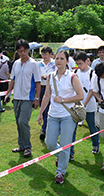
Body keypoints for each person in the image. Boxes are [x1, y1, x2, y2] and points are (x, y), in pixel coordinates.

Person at [37, 50, 84, 184]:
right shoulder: (51, 76)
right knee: (49, 143)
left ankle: (60, 172)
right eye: (56, 58)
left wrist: (63, 99)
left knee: (65, 144)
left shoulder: (72, 77)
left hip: (68, 115)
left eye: (61, 58)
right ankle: (63, 156)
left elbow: (80, 96)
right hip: (52, 114)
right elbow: (47, 96)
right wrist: (41, 112)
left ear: (67, 61)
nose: (58, 61)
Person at [5, 39, 41, 158]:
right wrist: (8, 93)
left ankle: (27, 147)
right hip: (17, 97)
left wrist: (37, 98)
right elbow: (13, 80)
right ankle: (21, 145)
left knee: (23, 121)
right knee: (18, 122)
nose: (22, 53)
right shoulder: (15, 63)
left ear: (28, 50)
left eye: (24, 50)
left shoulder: (34, 64)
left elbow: (38, 82)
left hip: (28, 97)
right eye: (20, 51)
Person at [74, 51, 100, 154]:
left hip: (89, 104)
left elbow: (91, 90)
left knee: (91, 125)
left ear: (86, 61)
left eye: (80, 63)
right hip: (77, 105)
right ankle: (71, 151)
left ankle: (95, 144)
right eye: (77, 63)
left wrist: (84, 104)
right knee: (73, 127)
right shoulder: (75, 73)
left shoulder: (92, 73)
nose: (79, 66)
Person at [38, 46, 56, 140]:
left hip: (51, 88)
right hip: (41, 87)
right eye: (43, 54)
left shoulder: (54, 63)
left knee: (49, 108)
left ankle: (45, 128)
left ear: (50, 54)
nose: (44, 56)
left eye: (46, 54)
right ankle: (45, 126)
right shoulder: (39, 64)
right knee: (43, 107)